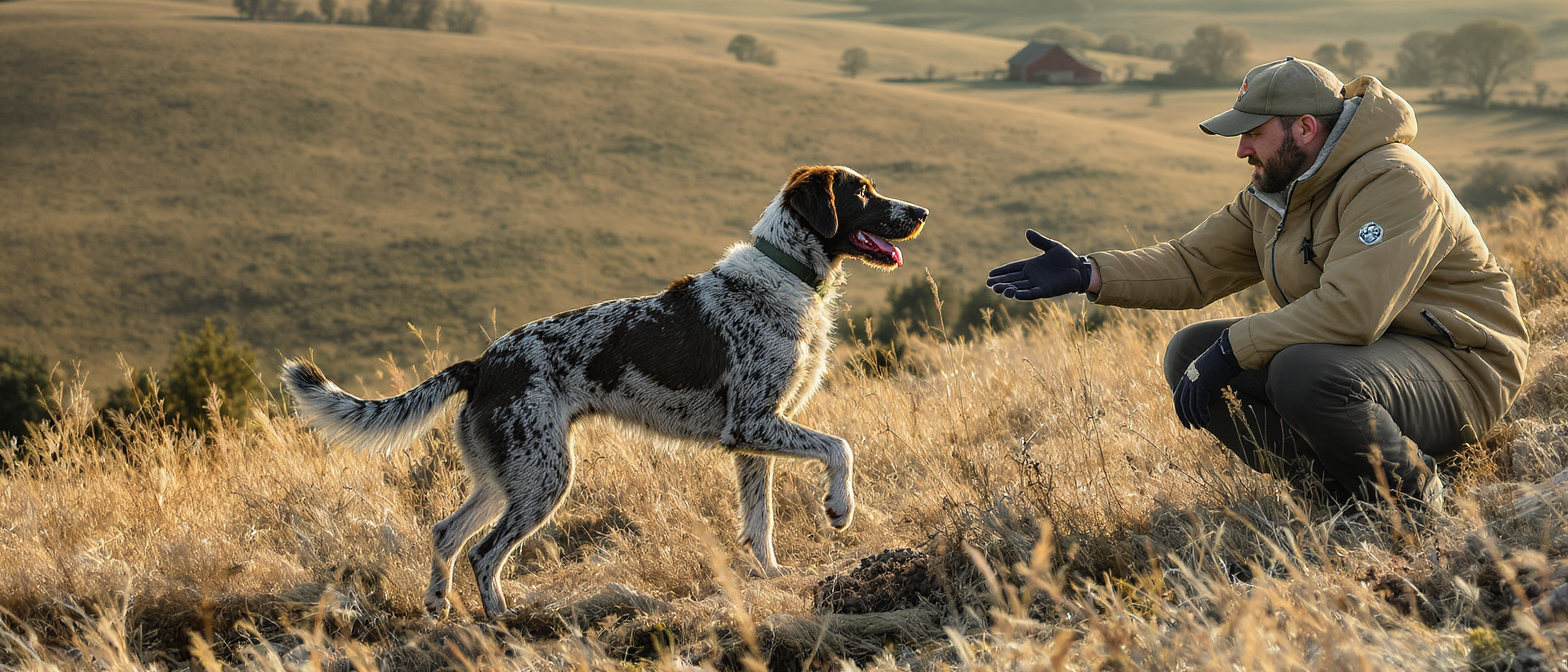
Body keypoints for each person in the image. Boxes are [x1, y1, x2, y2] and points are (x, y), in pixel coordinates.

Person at [986, 58, 1529, 509]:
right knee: (1190, 352)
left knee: (1301, 370)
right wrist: (1088, 271)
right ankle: (1333, 492)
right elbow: (1194, 264)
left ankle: (1413, 499)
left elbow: (1352, 312)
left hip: (1462, 367)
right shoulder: (1277, 192)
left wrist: (1236, 347)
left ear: (1305, 127)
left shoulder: (1394, 179)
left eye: (1253, 133)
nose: (1242, 150)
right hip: (1377, 359)